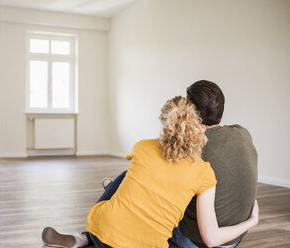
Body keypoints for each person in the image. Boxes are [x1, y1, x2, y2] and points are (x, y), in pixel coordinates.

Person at [41, 96, 259, 248]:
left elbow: (161, 161)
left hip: (102, 233)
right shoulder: (204, 172)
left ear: (165, 124)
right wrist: (251, 221)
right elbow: (211, 238)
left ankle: (84, 238)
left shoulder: (142, 146)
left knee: (129, 174)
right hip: (146, 244)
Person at [99, 80, 258, 248]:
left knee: (139, 182)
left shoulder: (192, 151)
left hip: (196, 241)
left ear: (190, 111)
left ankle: (107, 211)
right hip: (233, 240)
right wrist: (252, 220)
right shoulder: (242, 133)